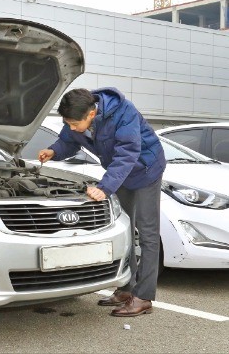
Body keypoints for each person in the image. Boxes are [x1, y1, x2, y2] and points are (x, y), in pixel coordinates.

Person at [38, 87, 166, 317]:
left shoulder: (123, 113)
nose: (71, 127)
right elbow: (69, 140)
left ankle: (144, 296)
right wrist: (53, 151)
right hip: (120, 173)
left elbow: (128, 153)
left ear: (91, 115)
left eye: (74, 123)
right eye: (67, 122)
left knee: (147, 232)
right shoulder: (78, 118)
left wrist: (104, 188)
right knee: (126, 229)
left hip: (146, 170)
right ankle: (127, 288)